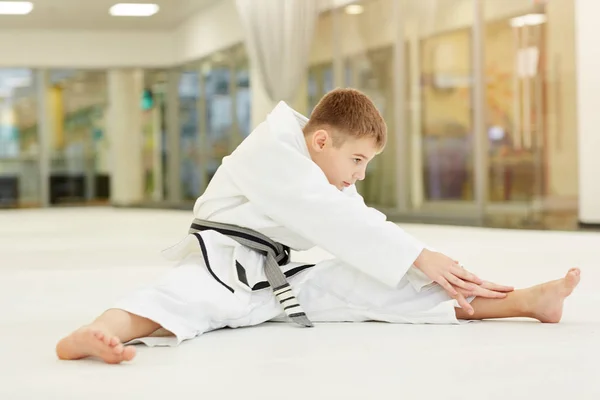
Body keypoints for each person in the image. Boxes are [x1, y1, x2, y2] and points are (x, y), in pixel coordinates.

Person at [56, 88, 581, 364]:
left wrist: (422, 261)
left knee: (386, 285)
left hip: (284, 278)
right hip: (222, 266)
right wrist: (419, 253)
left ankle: (526, 302)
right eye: (357, 160)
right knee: (175, 298)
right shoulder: (270, 150)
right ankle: (92, 334)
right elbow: (331, 217)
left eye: (366, 164)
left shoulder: (329, 174)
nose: (360, 174)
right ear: (322, 141)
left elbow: (360, 224)